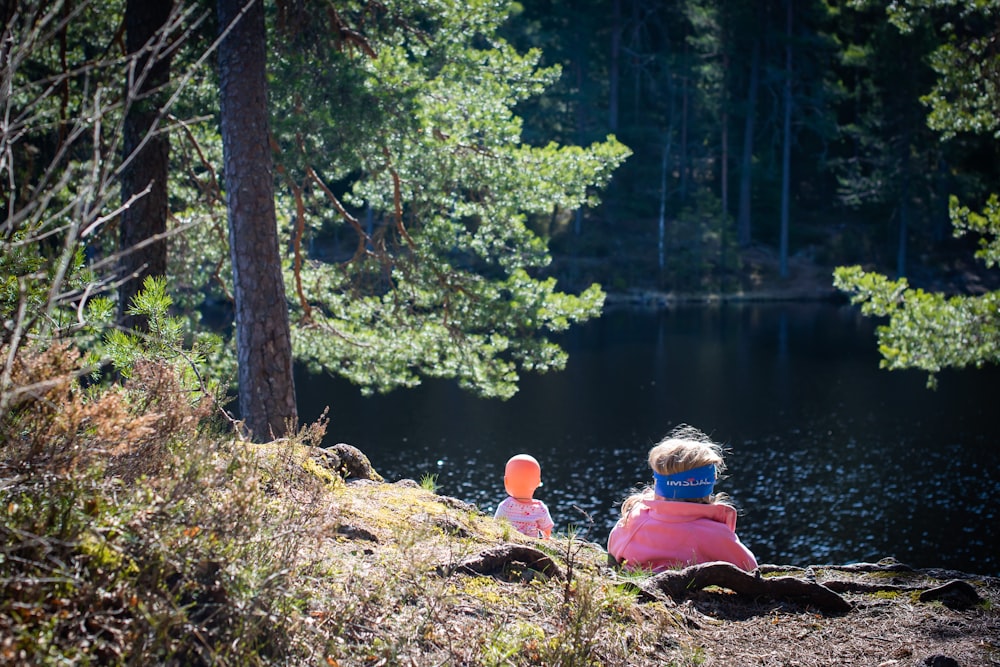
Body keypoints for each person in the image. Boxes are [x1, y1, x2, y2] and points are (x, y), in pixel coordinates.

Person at [607, 425, 757, 572]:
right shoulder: (716, 534)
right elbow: (750, 568)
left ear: (657, 482)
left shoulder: (634, 521)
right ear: (709, 484)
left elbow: (613, 552)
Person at [494, 454, 554, 539]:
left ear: (506, 481)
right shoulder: (540, 508)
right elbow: (547, 530)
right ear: (538, 482)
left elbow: (495, 527)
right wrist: (546, 540)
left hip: (510, 545)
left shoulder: (505, 506)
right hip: (531, 547)